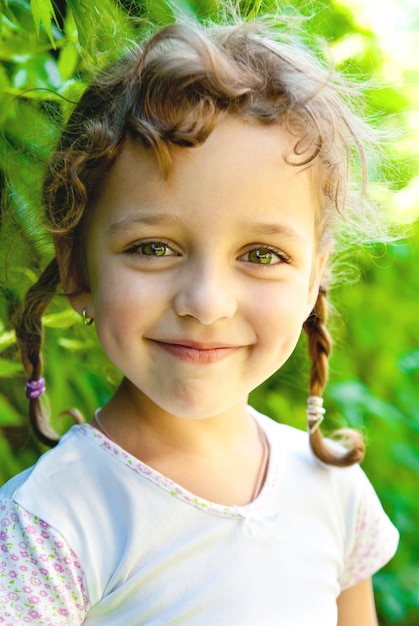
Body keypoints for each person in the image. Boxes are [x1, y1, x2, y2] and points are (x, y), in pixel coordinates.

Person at [0, 14, 398, 626]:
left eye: (262, 255)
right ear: (78, 270)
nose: (207, 302)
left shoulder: (333, 490)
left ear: (315, 275)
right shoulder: (51, 526)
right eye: (153, 248)